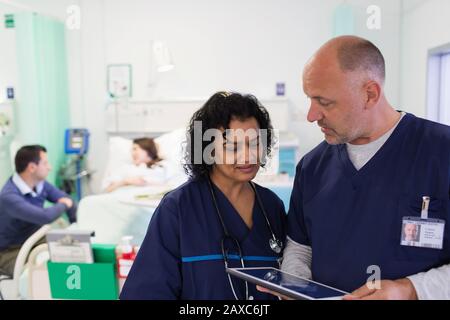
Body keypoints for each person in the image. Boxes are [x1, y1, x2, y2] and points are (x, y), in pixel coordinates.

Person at [265, 36, 450, 300]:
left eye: (324, 102)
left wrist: (410, 290)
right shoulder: (312, 167)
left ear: (370, 94)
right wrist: (295, 285)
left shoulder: (441, 153)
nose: (311, 115)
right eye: (310, 99)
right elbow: (300, 247)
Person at [120, 92, 286, 300]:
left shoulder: (271, 207)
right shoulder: (178, 209)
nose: (247, 156)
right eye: (232, 147)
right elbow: (147, 294)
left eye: (254, 144)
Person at [0, 145, 77, 277]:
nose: (50, 167)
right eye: (45, 163)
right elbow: (44, 217)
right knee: (40, 275)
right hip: (10, 252)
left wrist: (74, 225)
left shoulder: (40, 184)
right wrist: (64, 204)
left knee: (74, 254)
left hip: (37, 241)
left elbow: (69, 200)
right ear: (32, 168)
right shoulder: (9, 196)